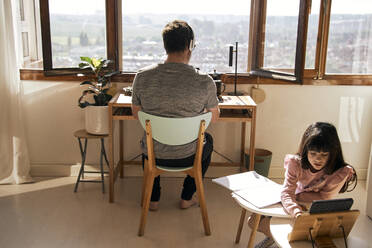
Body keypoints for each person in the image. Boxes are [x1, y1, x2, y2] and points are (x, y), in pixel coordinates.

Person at [131, 20, 220, 211]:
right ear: (189, 45)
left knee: (148, 141)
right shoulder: (205, 81)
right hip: (189, 156)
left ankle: (153, 200)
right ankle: (187, 197)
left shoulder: (142, 77)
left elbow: (136, 115)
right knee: (208, 140)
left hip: (156, 155)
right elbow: (214, 118)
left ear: (165, 45)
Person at [253, 122, 357, 248]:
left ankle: (293, 240)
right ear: (305, 150)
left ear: (333, 154)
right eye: (313, 154)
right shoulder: (296, 163)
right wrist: (296, 210)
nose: (318, 159)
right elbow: (287, 193)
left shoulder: (340, 171)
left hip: (314, 208)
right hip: (294, 203)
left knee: (304, 231)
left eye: (324, 155)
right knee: (253, 221)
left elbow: (324, 198)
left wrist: (299, 200)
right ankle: (276, 238)